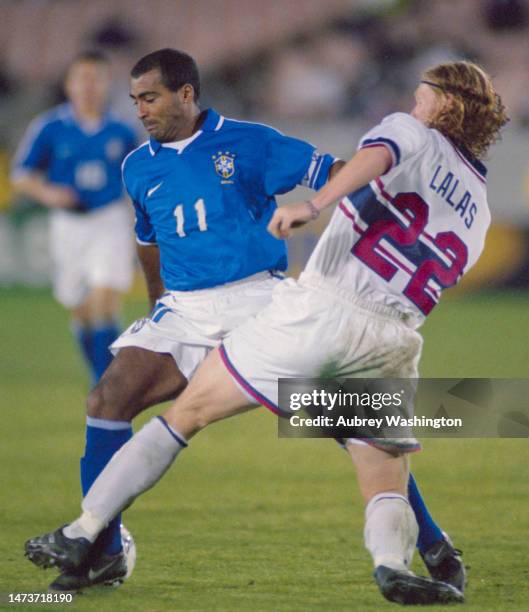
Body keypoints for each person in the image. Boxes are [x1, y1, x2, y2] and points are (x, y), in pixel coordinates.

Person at [24, 49, 464, 595]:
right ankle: (103, 552)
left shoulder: (251, 142)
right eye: (136, 99)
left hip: (260, 301)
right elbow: (149, 241)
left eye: (151, 97)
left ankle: (431, 542)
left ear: (187, 94)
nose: (141, 109)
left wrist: (372, 218)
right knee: (106, 400)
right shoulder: (137, 165)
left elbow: (334, 174)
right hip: (184, 310)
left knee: (350, 418)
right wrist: (156, 305)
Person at [12, 50, 137, 385]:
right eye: (82, 78)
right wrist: (49, 193)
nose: (88, 86)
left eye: (96, 78)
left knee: (104, 297)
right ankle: (101, 375)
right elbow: (21, 175)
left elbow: (137, 178)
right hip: (67, 223)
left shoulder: (123, 131)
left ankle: (107, 386)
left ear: (107, 83)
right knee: (81, 310)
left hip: (108, 219)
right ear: (69, 84)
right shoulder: (50, 127)